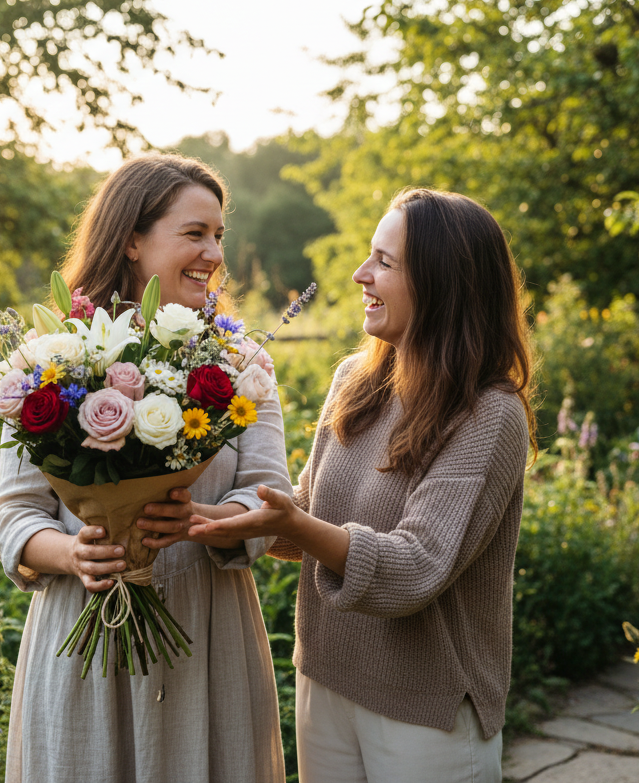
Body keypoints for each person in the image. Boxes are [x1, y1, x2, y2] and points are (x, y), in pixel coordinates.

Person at [189, 188, 535, 783]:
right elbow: (304, 516)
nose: (360, 275)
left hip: (425, 709)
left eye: (385, 262)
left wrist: (290, 523)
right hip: (325, 681)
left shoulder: (488, 413)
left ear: (443, 284)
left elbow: (416, 568)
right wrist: (198, 517)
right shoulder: (356, 379)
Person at [0, 154, 291, 783]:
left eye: (218, 235)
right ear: (131, 239)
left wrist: (204, 521)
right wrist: (72, 554)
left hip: (208, 640)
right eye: (194, 233)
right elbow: (13, 512)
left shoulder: (241, 367)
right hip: (80, 641)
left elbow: (269, 499)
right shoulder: (48, 361)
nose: (213, 252)